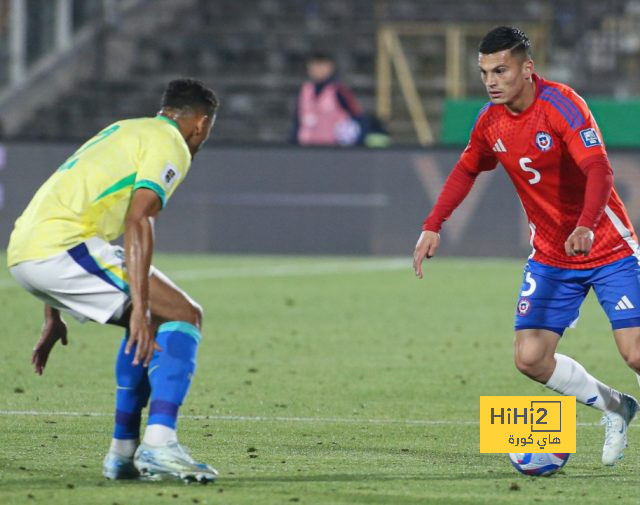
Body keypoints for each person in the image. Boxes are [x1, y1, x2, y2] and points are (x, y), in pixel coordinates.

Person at [413, 26, 640, 466]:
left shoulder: (563, 105)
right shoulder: (490, 120)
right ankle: (617, 407)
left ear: (527, 68)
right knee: (531, 358)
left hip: (609, 248)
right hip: (552, 256)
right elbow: (465, 171)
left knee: (635, 352)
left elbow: (600, 172)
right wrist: (432, 224)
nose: (492, 81)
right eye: (484, 73)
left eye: (501, 70)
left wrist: (588, 225)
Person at [7, 78, 219, 482]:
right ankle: (158, 444)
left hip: (29, 249)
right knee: (184, 314)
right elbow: (138, 218)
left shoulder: (123, 130)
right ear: (201, 123)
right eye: (205, 131)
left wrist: (53, 313)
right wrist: (141, 306)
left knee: (156, 318)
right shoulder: (171, 143)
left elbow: (66, 199)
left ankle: (123, 455)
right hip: (60, 249)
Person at [291, 52, 362, 146]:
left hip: (332, 147)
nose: (317, 70)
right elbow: (298, 118)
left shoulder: (338, 90)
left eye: (321, 66)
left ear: (330, 67)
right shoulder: (305, 90)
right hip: (306, 145)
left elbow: (356, 115)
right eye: (314, 66)